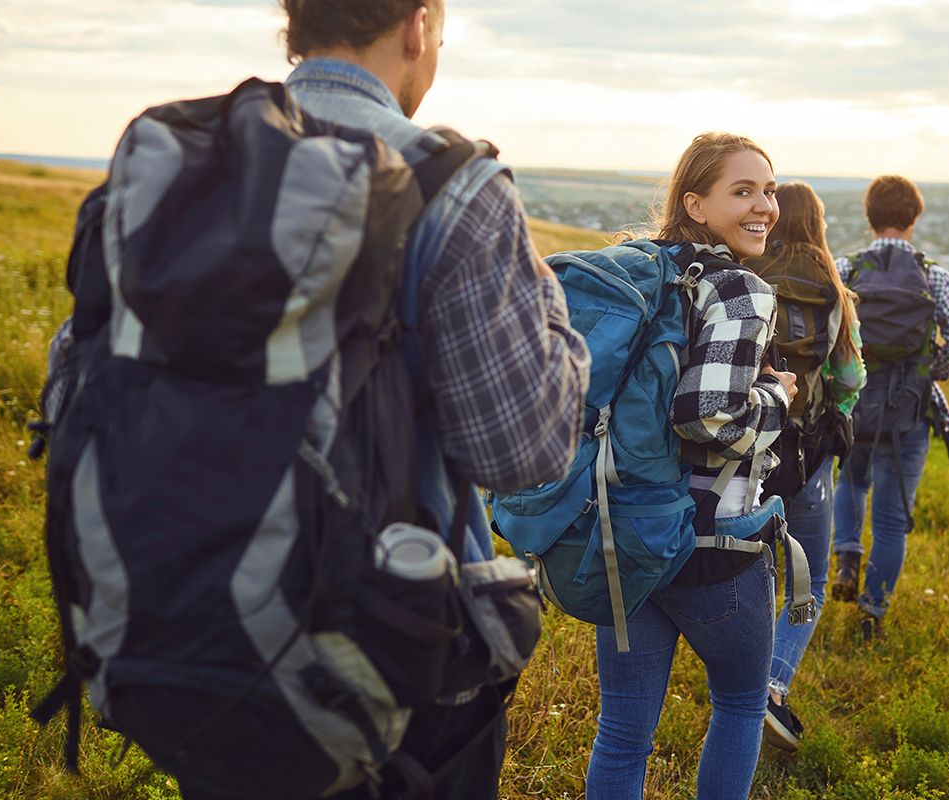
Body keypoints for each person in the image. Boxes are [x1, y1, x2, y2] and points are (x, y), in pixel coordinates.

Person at [186, 1, 592, 797]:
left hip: (200, 622)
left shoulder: (193, 157)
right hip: (391, 654)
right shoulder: (447, 182)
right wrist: (553, 314)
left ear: (296, 26)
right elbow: (523, 454)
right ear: (417, 26)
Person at [585, 133, 798, 800]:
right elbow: (706, 418)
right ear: (696, 204)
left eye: (769, 190)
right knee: (738, 704)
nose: (765, 205)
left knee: (622, 732)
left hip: (626, 533)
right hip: (712, 543)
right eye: (744, 191)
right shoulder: (740, 289)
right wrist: (777, 399)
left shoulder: (638, 270)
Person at [830, 174, 949, 639]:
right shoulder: (935, 275)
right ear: (914, 218)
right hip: (910, 414)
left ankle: (847, 558)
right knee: (894, 521)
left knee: (851, 482)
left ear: (869, 216)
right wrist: (925, 372)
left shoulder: (846, 269)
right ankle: (872, 615)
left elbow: (825, 332)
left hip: (853, 404)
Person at [742, 181, 866, 751]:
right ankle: (769, 685)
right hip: (807, 452)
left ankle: (738, 679)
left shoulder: (744, 275)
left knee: (746, 567)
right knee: (808, 577)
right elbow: (850, 379)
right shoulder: (834, 291)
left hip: (741, 448)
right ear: (817, 222)